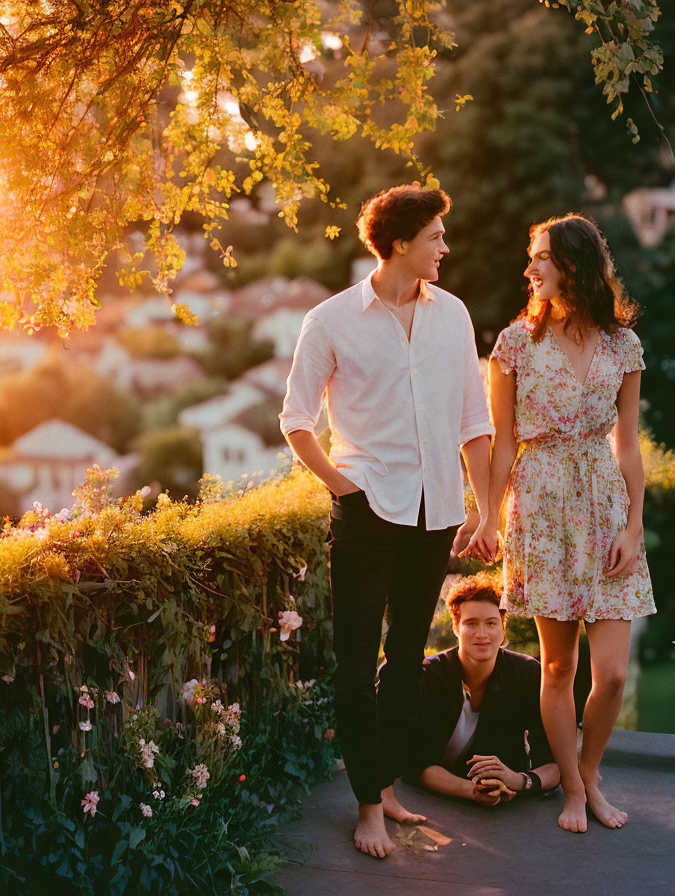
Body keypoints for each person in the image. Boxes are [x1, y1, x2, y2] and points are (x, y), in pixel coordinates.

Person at [279, 183, 493, 858]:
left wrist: (485, 506)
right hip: (370, 510)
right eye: (435, 236)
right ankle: (367, 804)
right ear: (401, 243)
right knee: (354, 661)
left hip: (436, 511)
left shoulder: (452, 315)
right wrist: (348, 492)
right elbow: (296, 421)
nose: (445, 248)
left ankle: (388, 782)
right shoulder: (332, 320)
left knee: (406, 658)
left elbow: (472, 418)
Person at [469, 214, 656, 833]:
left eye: (540, 257)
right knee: (557, 668)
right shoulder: (516, 344)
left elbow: (628, 447)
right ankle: (573, 788)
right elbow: (501, 445)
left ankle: (591, 771)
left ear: (573, 263)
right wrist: (486, 516)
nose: (530, 269)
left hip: (604, 506)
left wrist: (633, 525)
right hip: (542, 505)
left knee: (615, 674)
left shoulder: (622, 345)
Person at [411, 573, 559, 805]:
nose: (482, 634)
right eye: (471, 623)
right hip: (433, 802)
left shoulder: (527, 673)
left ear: (503, 629)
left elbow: (554, 764)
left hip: (510, 812)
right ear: (456, 628)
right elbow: (419, 763)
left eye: (491, 623)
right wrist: (470, 791)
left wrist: (518, 781)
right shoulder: (430, 674)